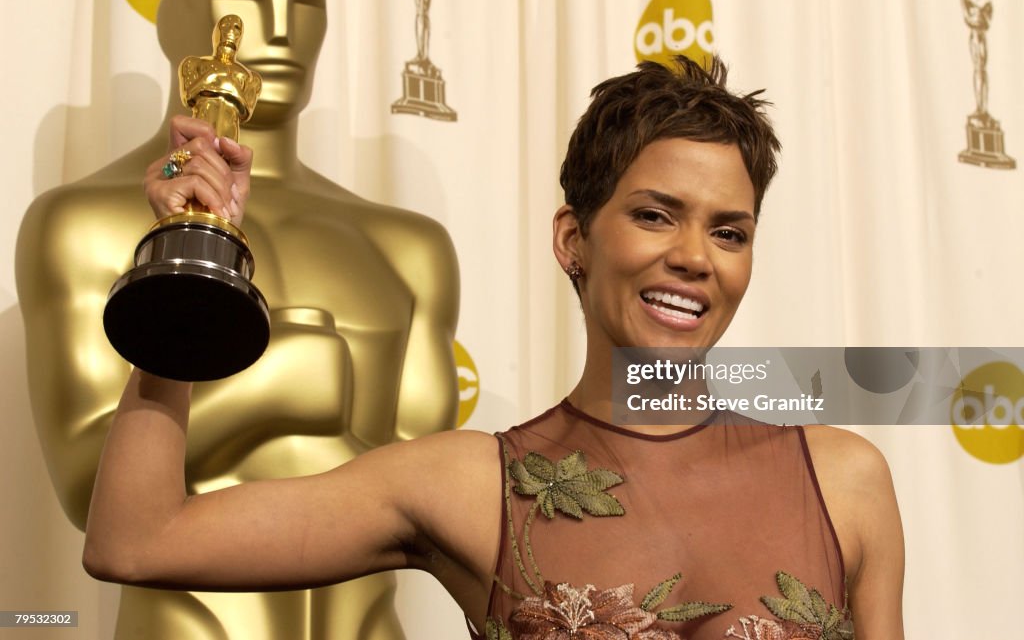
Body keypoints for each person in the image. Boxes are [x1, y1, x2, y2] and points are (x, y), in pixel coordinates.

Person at [83, 56, 905, 639]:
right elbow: (137, 539)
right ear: (572, 240)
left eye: (729, 231)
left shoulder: (844, 480)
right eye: (656, 214)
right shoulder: (467, 485)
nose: (695, 255)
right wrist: (187, 266)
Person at [17, 0, 459, 640]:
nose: (281, 30)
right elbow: (88, 491)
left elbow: (429, 499)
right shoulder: (84, 225)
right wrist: (278, 379)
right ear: (170, 18)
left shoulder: (408, 247)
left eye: (304, 1)